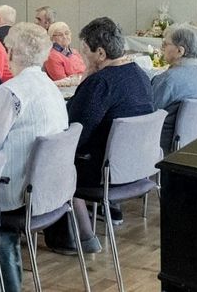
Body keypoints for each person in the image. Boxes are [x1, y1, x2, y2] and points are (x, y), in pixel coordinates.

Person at [43, 17, 152, 252]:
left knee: (53, 157)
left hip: (101, 169)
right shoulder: (140, 74)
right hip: (136, 165)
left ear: (100, 53)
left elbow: (74, 130)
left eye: (85, 51)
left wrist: (86, 80)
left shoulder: (100, 83)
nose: (82, 57)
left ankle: (77, 237)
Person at [0, 23, 68, 291]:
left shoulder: (12, 91)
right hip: (49, 191)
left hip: (13, 192)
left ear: (12, 51)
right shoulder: (51, 87)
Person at [151, 23, 197, 151]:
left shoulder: (169, 79)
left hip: (163, 146)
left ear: (180, 51)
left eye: (165, 44)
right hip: (194, 143)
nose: (162, 48)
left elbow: (148, 113)